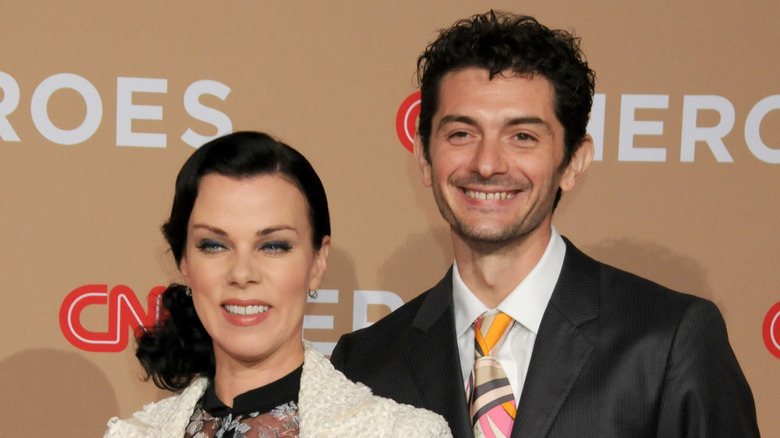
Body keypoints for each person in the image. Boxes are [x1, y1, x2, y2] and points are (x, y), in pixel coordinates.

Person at [331, 11, 759, 438]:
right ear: (425, 158)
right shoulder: (365, 365)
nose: (487, 164)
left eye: (523, 137)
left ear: (573, 162)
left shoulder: (667, 341)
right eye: (461, 133)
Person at [104, 131, 451, 437]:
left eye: (272, 246)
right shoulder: (134, 435)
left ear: (318, 261)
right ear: (185, 264)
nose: (242, 273)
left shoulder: (402, 433)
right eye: (214, 245)